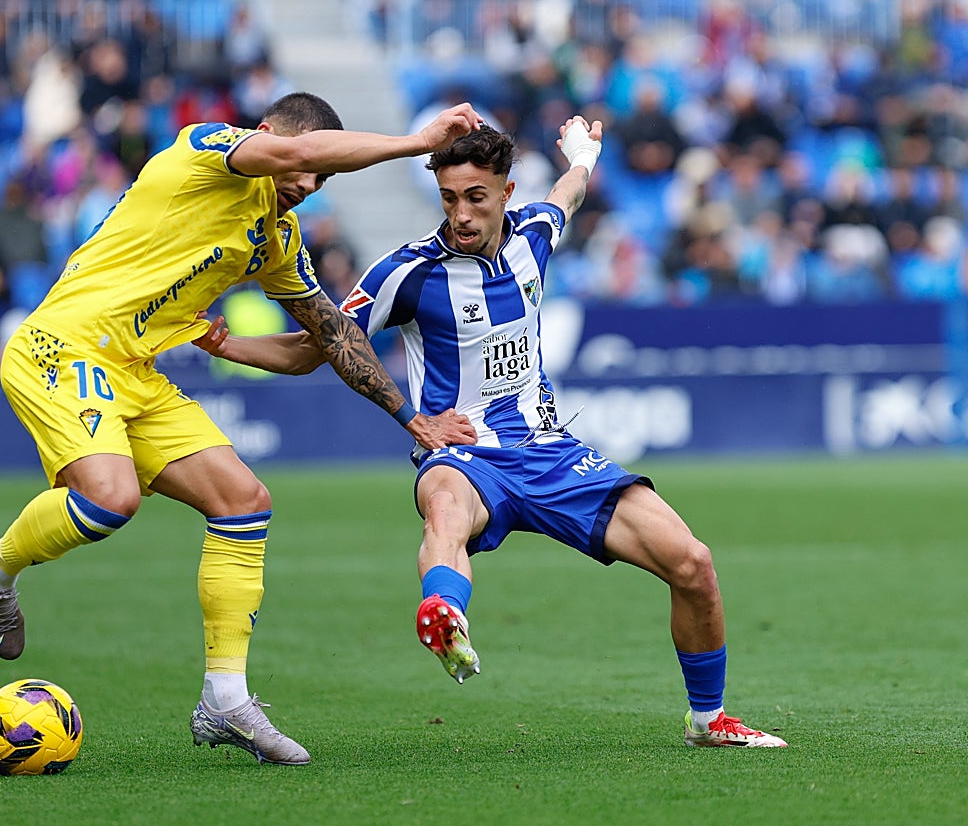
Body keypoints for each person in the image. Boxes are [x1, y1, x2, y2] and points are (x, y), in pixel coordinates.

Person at [191, 117, 789, 748]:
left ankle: (708, 722)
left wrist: (583, 155)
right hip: (462, 453)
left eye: (476, 197)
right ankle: (443, 613)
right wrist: (230, 344)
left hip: (551, 454)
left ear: (506, 191)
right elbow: (322, 347)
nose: (462, 215)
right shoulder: (408, 271)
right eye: (450, 199)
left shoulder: (534, 232)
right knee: (445, 513)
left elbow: (569, 195)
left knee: (693, 564)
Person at [0, 92, 482, 768]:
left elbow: (325, 338)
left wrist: (408, 416)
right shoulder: (203, 149)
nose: (307, 186)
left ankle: (226, 699)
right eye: (304, 171)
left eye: (320, 181)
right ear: (266, 137)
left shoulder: (275, 237)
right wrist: (417, 143)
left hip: (137, 371)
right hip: (62, 346)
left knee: (244, 500)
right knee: (109, 497)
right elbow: (296, 152)